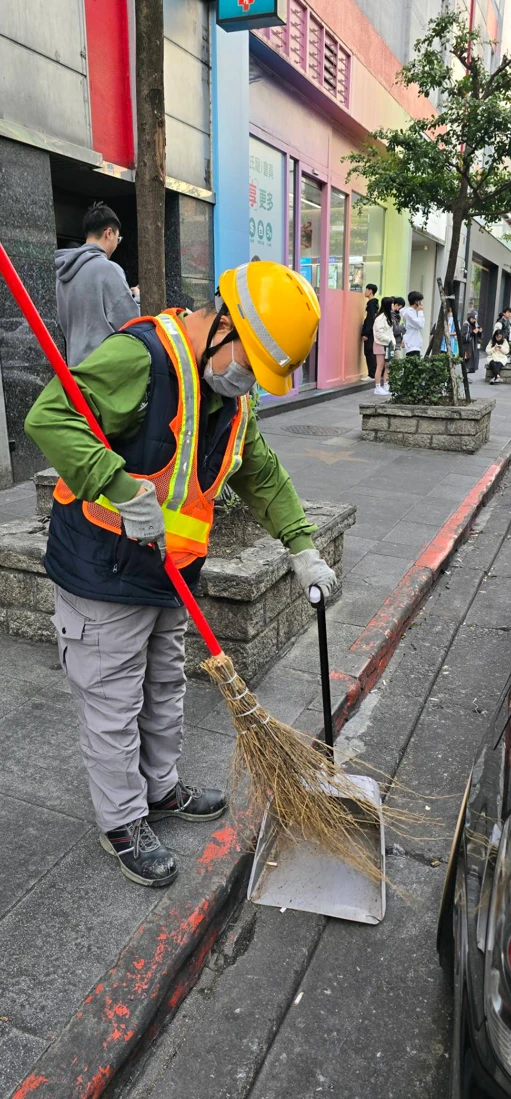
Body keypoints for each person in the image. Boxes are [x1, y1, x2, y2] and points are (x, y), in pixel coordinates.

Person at [24, 260, 338, 889]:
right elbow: (50, 418)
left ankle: (161, 789)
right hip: (103, 569)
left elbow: (261, 473)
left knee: (165, 686)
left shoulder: (231, 397)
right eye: (249, 363)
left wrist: (302, 546)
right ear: (222, 325)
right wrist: (118, 485)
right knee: (113, 701)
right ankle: (122, 821)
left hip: (171, 575)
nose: (249, 381)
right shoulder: (139, 358)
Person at [55, 201, 140, 366]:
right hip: (104, 370)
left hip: (76, 368)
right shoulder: (108, 269)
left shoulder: (63, 272)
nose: (116, 243)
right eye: (118, 238)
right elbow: (129, 320)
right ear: (109, 233)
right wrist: (137, 297)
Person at [372, 297, 395, 394]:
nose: (393, 306)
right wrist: (389, 340)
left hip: (388, 344)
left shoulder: (388, 317)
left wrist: (392, 341)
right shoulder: (380, 318)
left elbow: (390, 332)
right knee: (380, 365)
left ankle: (386, 384)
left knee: (388, 365)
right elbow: (379, 334)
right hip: (380, 344)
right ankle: (377, 386)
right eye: (392, 304)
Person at [361, 284, 379, 381]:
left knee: (369, 352)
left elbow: (370, 320)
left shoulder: (371, 304)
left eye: (366, 289)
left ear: (370, 291)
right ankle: (372, 373)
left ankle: (371, 374)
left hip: (369, 333)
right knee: (369, 352)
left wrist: (366, 333)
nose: (365, 291)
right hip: (372, 332)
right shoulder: (374, 303)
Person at [402, 291, 425, 357]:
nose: (421, 303)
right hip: (412, 345)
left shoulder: (411, 312)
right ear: (416, 302)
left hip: (413, 344)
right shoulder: (410, 313)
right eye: (420, 301)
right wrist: (420, 312)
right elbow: (420, 325)